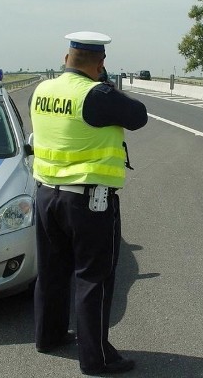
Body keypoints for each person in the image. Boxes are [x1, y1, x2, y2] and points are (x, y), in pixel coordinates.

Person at [30, 31, 148, 375]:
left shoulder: (42, 90)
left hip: (46, 194)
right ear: (100, 63)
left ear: (66, 59)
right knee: (93, 277)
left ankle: (48, 336)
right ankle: (95, 357)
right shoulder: (96, 95)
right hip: (88, 201)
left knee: (52, 272)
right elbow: (138, 116)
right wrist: (108, 85)